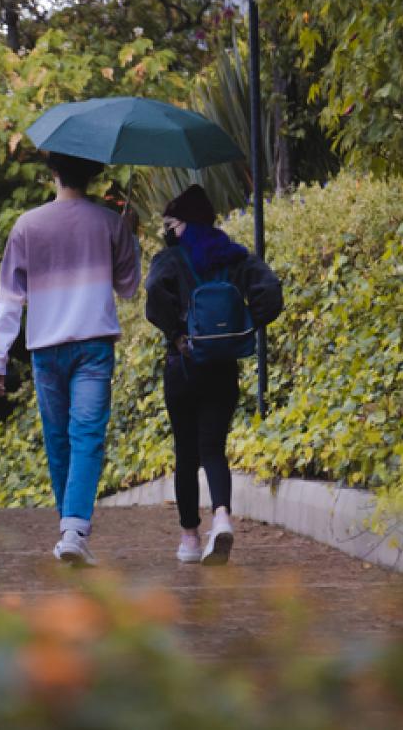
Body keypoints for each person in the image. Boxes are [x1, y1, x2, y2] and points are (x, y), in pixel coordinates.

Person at [0, 152, 141, 566]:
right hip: (93, 345)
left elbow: (9, 297)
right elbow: (128, 287)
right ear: (92, 174)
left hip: (45, 349)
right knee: (86, 435)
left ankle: (70, 528)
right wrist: (130, 238)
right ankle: (72, 529)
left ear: (52, 172)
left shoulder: (26, 226)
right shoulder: (110, 223)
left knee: (59, 440)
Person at [144, 184, 282, 565]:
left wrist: (175, 333)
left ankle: (190, 537)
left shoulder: (169, 260)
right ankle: (222, 515)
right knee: (213, 450)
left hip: (183, 367)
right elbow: (271, 291)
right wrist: (247, 325)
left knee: (185, 453)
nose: (169, 231)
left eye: (171, 223)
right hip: (223, 368)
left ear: (184, 224)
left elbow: (154, 294)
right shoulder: (235, 256)